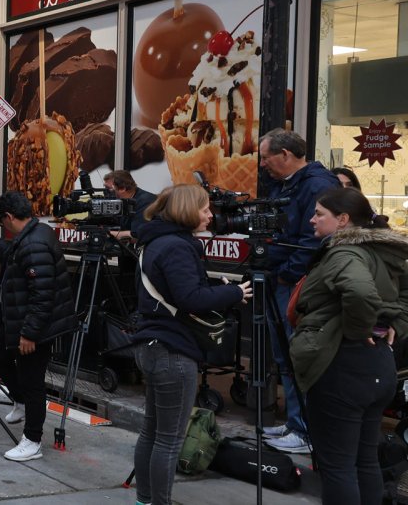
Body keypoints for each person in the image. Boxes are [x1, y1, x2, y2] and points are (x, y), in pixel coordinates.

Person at [130, 184, 252, 505]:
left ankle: (144, 500)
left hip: (152, 344)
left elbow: (176, 290)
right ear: (186, 210)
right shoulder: (176, 246)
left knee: (151, 432)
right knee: (169, 440)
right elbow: (190, 298)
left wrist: (213, 286)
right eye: (204, 208)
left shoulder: (156, 241)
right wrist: (235, 293)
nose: (211, 215)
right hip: (172, 350)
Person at [290, 187, 408, 505]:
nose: (312, 219)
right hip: (377, 367)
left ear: (342, 220)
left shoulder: (345, 253)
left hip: (344, 365)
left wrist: (361, 329)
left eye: (319, 214)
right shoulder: (382, 250)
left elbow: (359, 292)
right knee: (364, 460)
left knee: (338, 467)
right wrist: (395, 323)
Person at [0, 191, 76, 462]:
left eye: (1, 222)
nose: (1, 227)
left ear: (9, 217)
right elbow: (11, 257)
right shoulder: (31, 234)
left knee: (33, 381)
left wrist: (29, 334)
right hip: (22, 320)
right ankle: (20, 400)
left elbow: (42, 295)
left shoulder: (34, 244)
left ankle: (32, 440)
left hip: (35, 325)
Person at [259, 128, 341, 454]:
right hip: (284, 280)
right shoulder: (289, 184)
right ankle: (296, 422)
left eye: (266, 157)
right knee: (286, 356)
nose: (263, 164)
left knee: (298, 357)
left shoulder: (317, 186)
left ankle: (305, 429)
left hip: (296, 286)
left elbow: (314, 240)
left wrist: (286, 275)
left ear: (285, 155)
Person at [103, 169, 157, 239]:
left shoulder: (145, 201)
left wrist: (105, 233)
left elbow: (135, 235)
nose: (105, 192)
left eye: (108, 188)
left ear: (122, 188)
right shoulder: (121, 201)